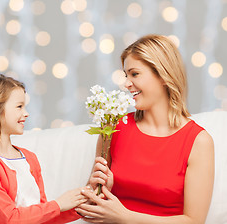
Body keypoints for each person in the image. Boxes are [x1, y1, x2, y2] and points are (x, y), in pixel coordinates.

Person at [76, 34, 214, 224]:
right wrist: (99, 190)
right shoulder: (113, 128)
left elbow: (194, 221)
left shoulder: (198, 141)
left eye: (135, 74)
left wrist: (124, 217)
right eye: (126, 75)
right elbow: (90, 213)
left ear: (164, 76)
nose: (126, 83)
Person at [0, 74, 87, 224]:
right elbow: (10, 218)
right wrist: (59, 204)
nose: (26, 113)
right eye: (19, 106)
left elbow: (42, 216)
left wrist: (80, 206)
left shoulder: (29, 158)